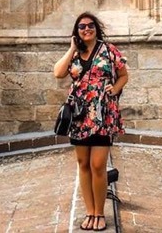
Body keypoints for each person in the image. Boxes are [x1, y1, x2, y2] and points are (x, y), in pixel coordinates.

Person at [53, 13, 129, 232]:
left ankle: (99, 212)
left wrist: (114, 89)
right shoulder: (75, 54)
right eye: (82, 26)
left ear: (97, 27)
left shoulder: (109, 50)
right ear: (76, 31)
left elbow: (124, 75)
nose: (86, 29)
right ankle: (90, 212)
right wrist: (71, 49)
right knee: (83, 165)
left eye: (90, 25)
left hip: (103, 114)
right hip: (79, 116)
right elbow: (58, 73)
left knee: (98, 165)